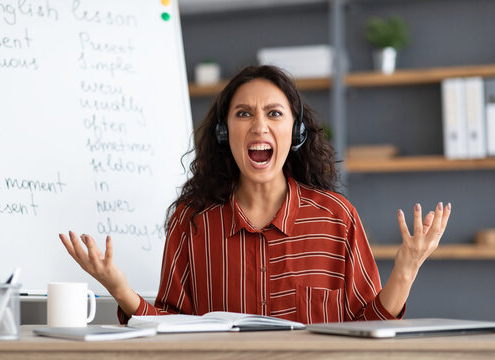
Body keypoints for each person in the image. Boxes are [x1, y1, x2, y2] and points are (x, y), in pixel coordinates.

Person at [60, 65, 451, 324]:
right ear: (223, 132)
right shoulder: (192, 220)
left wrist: (405, 271)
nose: (259, 125)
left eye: (274, 113)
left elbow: (369, 330)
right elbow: (169, 327)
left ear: (295, 133)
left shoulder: (337, 217)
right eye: (243, 113)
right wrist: (118, 289)